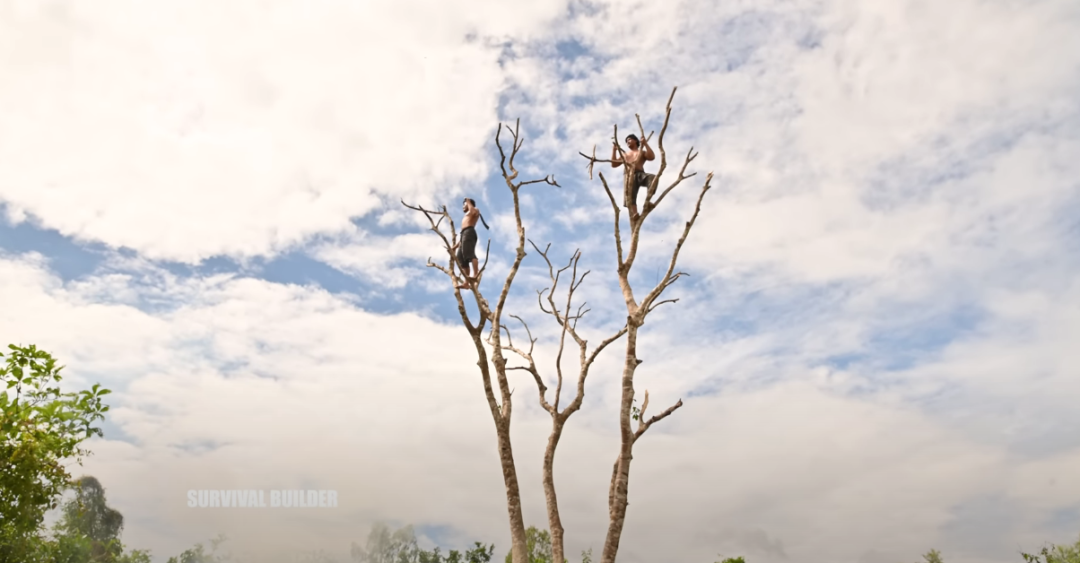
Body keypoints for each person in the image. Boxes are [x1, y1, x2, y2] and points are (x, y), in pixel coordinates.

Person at [611, 133, 656, 218]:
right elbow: (613, 164)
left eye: (629, 139)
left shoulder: (641, 152)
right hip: (628, 175)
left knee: (653, 178)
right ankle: (634, 214)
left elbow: (651, 157)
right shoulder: (625, 154)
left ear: (635, 140)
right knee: (630, 195)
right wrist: (614, 150)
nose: (627, 141)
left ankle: (647, 202)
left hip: (640, 174)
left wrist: (645, 143)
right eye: (626, 141)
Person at [452, 198, 484, 290]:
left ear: (469, 203)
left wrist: (468, 201)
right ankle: (466, 283)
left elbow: (473, 211)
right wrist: (454, 247)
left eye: (464, 204)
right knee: (461, 258)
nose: (463, 206)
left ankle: (475, 275)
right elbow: (462, 237)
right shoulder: (466, 215)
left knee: (469, 254)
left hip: (469, 232)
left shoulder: (475, 210)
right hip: (464, 234)